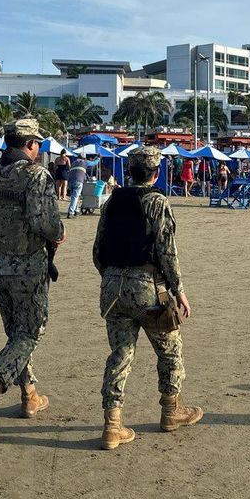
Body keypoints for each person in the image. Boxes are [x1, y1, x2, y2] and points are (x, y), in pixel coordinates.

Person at [93, 146, 202, 450]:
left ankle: (112, 424)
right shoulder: (158, 202)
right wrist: (179, 291)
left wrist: (113, 277)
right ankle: (171, 410)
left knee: (120, 354)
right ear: (156, 173)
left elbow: (98, 251)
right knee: (170, 350)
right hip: (146, 289)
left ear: (130, 171)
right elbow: (167, 252)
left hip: (112, 288)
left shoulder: (112, 202)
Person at [0, 119, 64, 440]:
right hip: (29, 266)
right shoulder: (36, 175)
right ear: (31, 144)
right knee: (30, 332)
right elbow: (42, 220)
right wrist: (58, 233)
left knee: (16, 332)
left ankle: (30, 394)